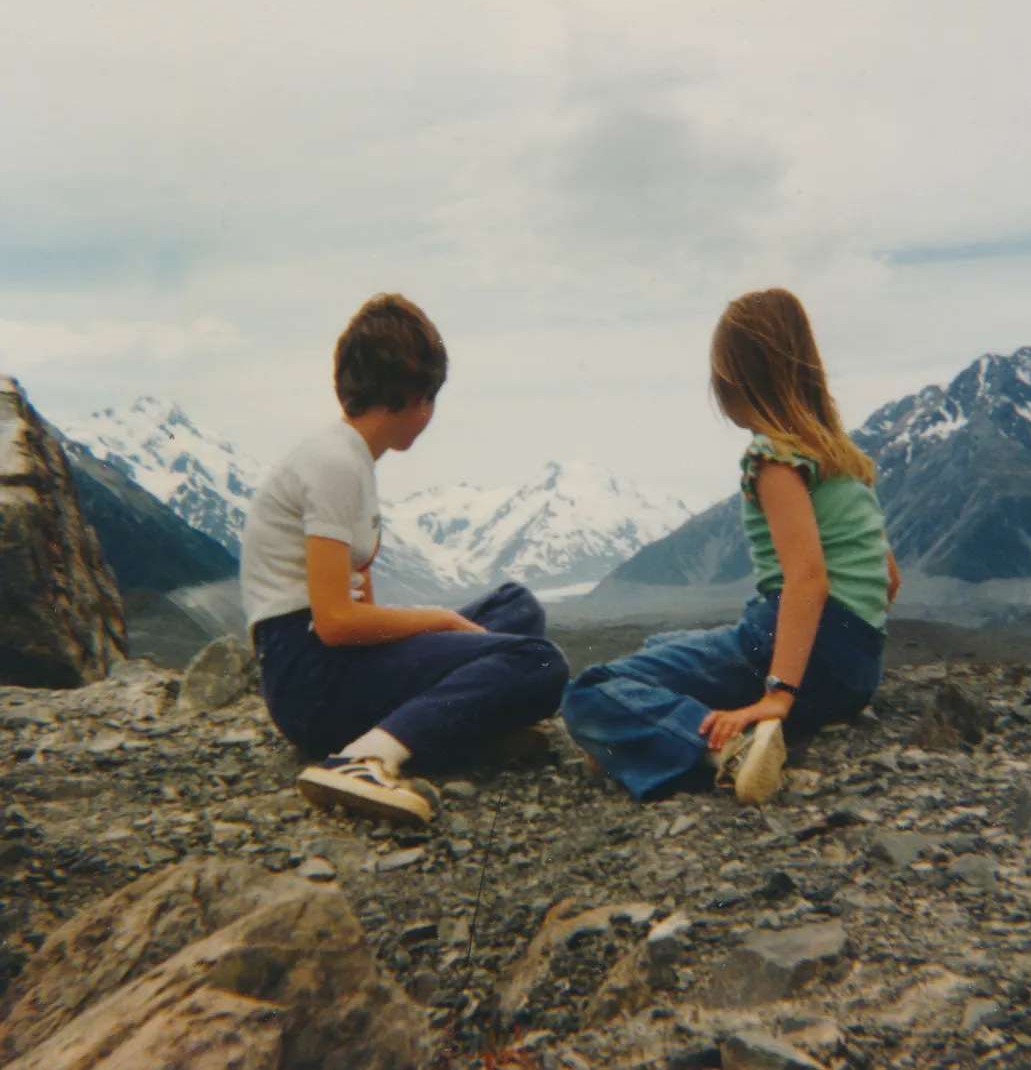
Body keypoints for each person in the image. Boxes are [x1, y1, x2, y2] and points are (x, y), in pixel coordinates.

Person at [561, 288, 899, 806]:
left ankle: (727, 750)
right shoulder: (846, 462)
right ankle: (665, 730)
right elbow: (887, 579)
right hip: (858, 672)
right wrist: (837, 658)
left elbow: (807, 578)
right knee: (659, 650)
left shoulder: (774, 459)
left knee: (590, 691)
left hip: (793, 651)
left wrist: (778, 694)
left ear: (735, 379)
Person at [241, 293, 570, 825]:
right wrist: (439, 622)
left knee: (517, 607)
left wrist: (432, 639)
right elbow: (335, 622)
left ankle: (441, 726)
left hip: (325, 667)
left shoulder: (351, 461)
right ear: (418, 397)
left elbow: (360, 611)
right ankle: (363, 759)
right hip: (307, 679)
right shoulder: (334, 466)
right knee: (538, 660)